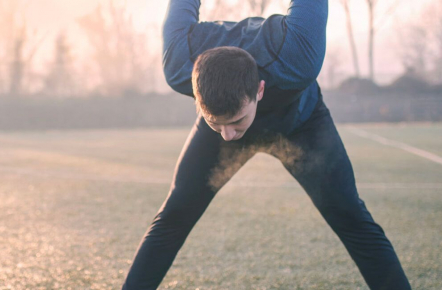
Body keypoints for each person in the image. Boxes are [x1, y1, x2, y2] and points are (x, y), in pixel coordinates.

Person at [122, 0, 412, 289]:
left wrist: (227, 121)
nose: (228, 135)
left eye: (236, 122)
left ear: (260, 90)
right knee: (174, 215)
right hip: (229, 111)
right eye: (216, 123)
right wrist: (223, 122)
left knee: (351, 216)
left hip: (301, 125)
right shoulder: (179, 64)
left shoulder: (296, 55)